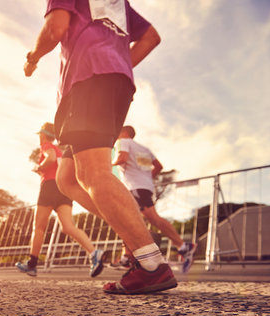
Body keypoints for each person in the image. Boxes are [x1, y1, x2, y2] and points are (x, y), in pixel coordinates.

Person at [24, 1, 176, 294]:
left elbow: (55, 28)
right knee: (68, 179)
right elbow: (151, 37)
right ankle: (134, 237)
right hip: (113, 80)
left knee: (94, 174)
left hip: (89, 80)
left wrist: (32, 58)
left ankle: (149, 264)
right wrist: (116, 62)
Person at [16, 122, 104, 277]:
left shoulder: (46, 145)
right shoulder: (60, 150)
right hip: (63, 189)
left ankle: (32, 265)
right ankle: (94, 252)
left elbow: (49, 158)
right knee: (68, 227)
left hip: (49, 187)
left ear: (42, 135)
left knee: (39, 227)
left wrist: (40, 168)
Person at [113, 125, 197, 272]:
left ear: (124, 132)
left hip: (135, 187)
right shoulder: (143, 149)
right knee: (130, 219)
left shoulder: (123, 141)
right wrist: (146, 178)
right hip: (144, 187)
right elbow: (158, 166)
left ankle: (183, 246)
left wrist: (104, 166)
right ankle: (127, 257)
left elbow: (122, 158)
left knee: (148, 218)